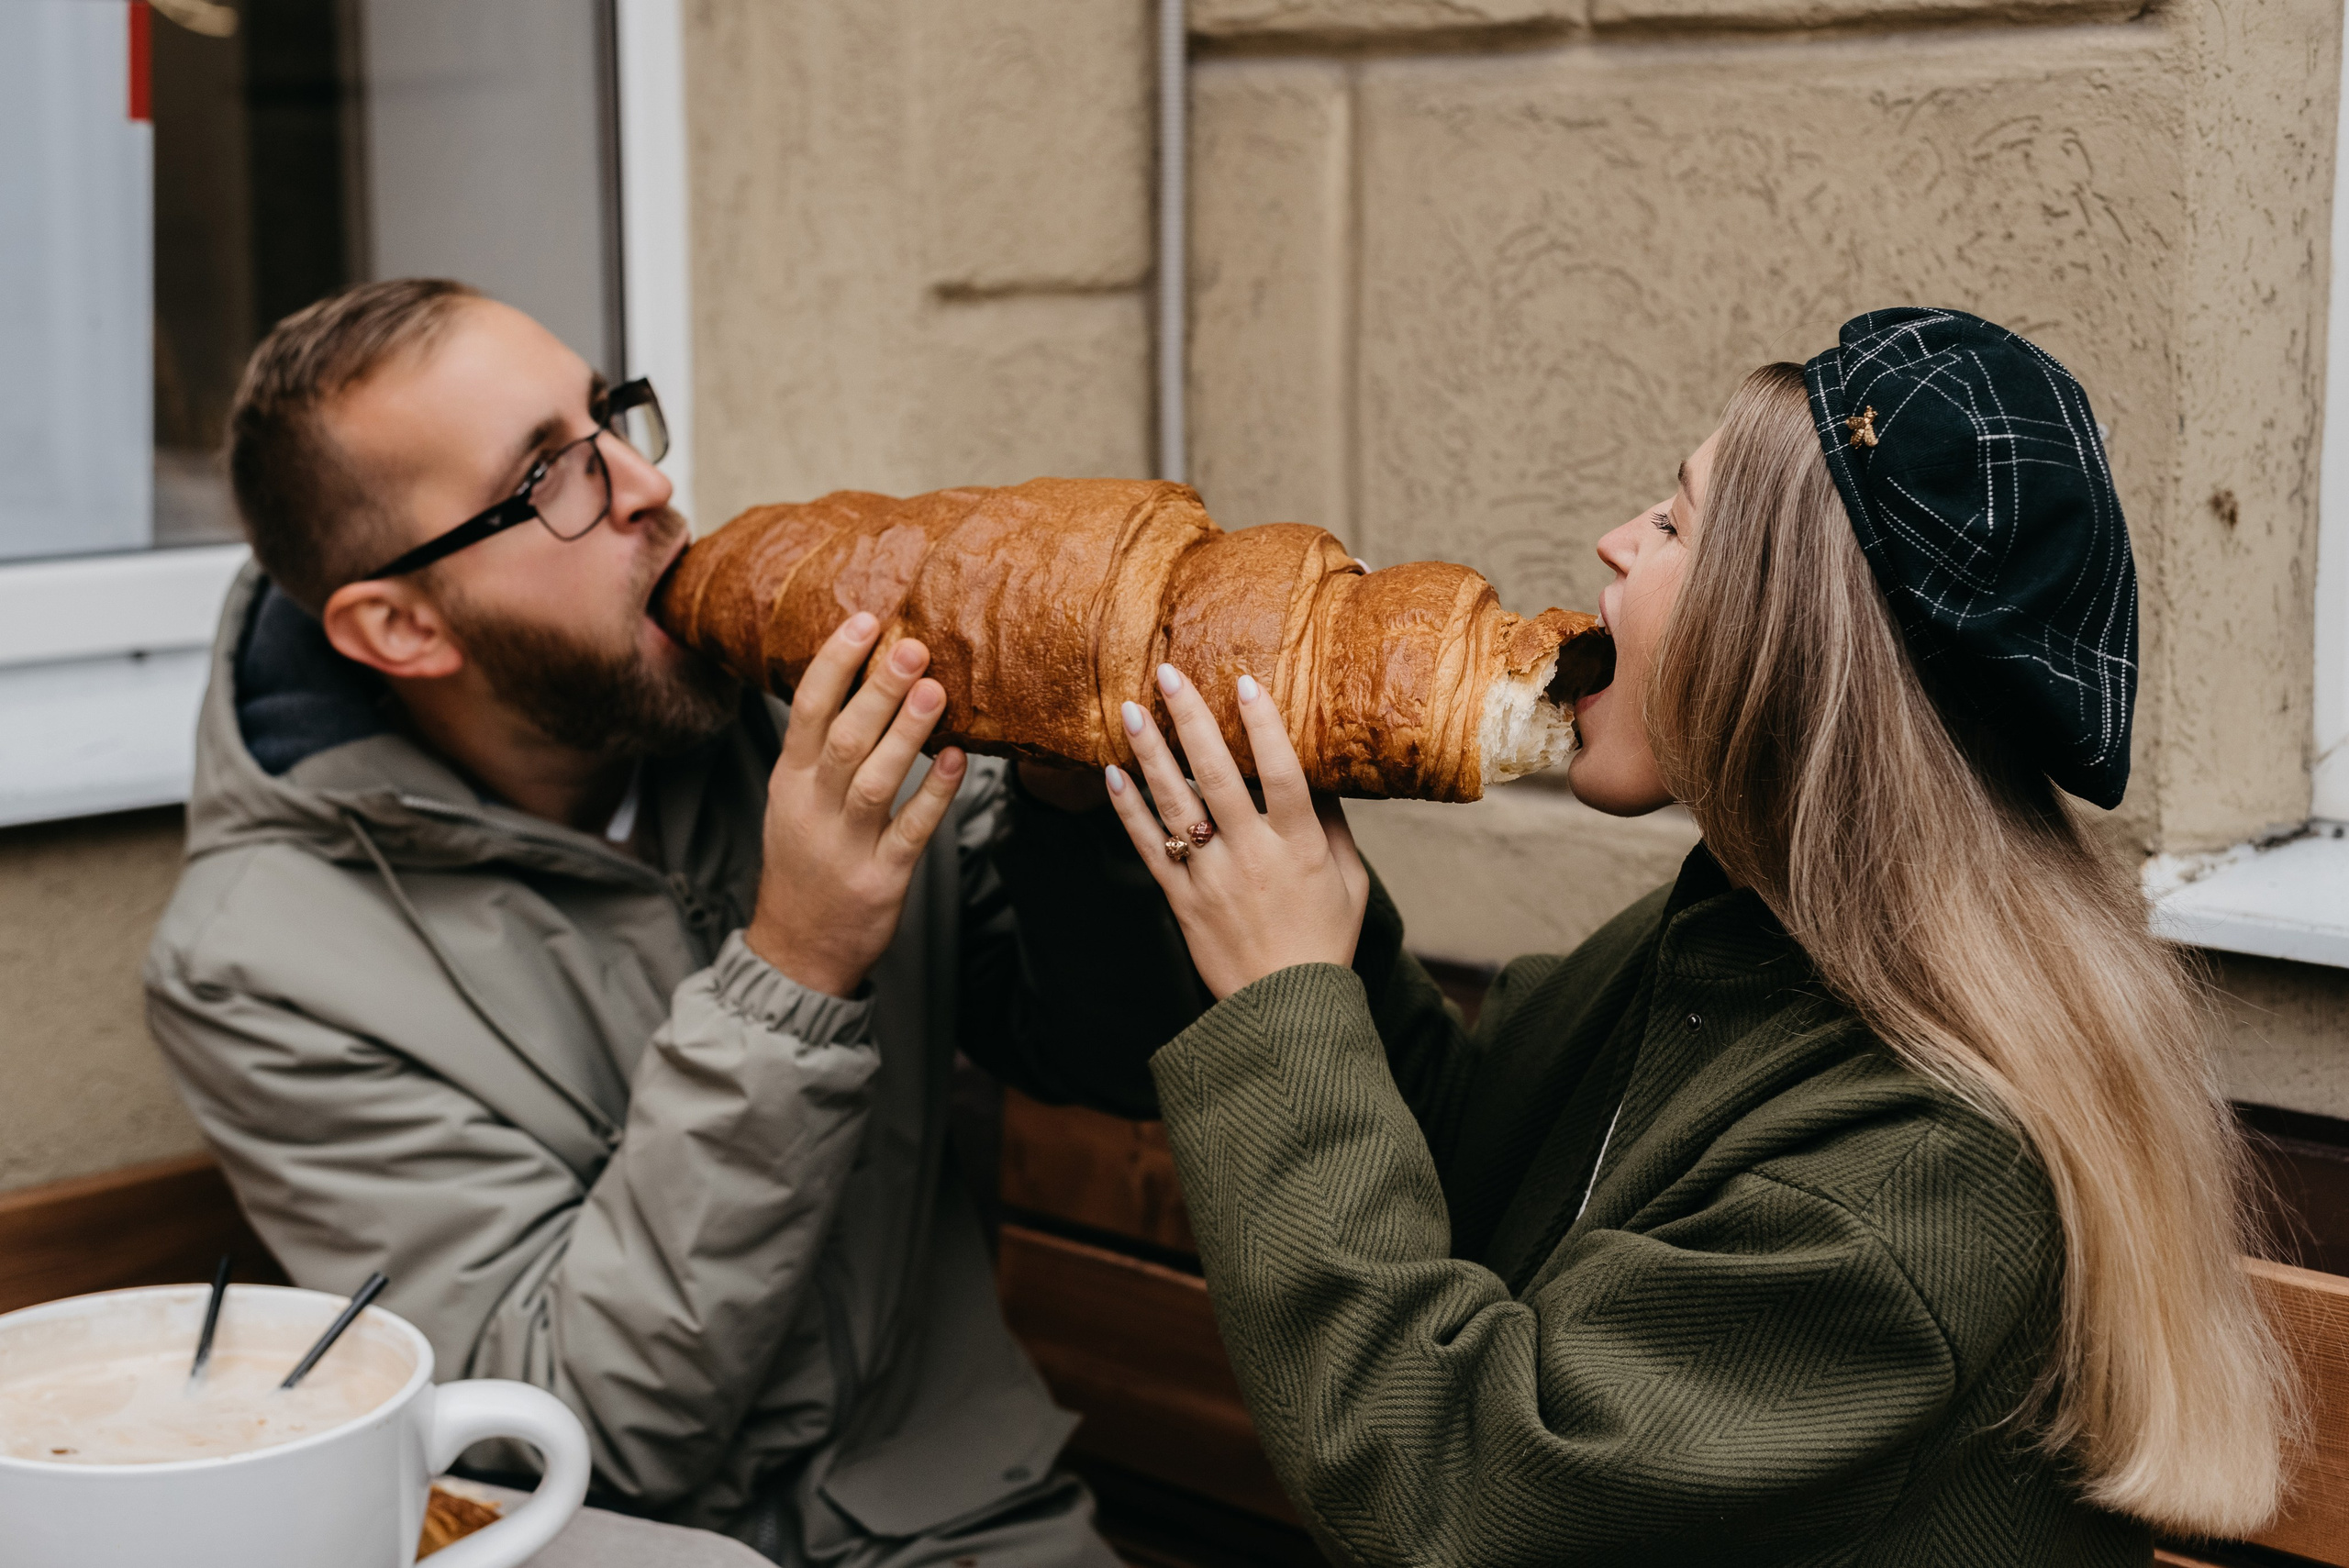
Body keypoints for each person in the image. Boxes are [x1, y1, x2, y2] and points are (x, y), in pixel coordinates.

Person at [1097, 308, 2291, 1564]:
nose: (1615, 541)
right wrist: (1289, 916)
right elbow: (1465, 1155)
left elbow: (1457, 1499)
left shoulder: (1915, 1179)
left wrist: (1288, 990)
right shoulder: (1741, 941)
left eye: (1674, 522)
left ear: (1787, 644)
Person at [144, 279, 1198, 1566]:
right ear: (402, 626)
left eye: (609, 417)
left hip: (973, 1520)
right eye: (548, 476)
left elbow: (1115, 1052)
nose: (646, 485)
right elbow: (575, 1428)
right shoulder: (256, 968)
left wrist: (1065, 800)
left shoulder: (794, 714)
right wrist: (796, 968)